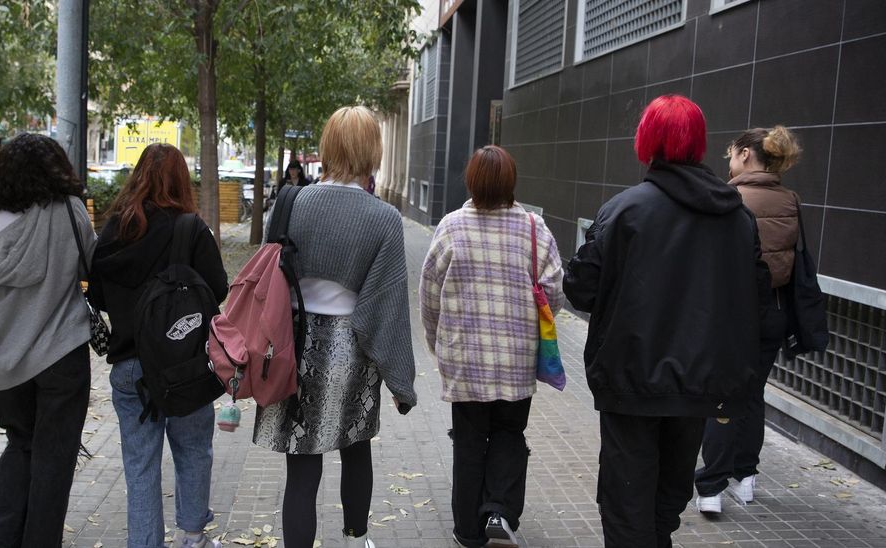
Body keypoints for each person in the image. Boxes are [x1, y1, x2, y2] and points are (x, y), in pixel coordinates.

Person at [563, 95, 769, 548]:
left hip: (630, 380)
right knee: (665, 504)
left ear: (647, 142)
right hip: (699, 386)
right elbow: (755, 299)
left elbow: (579, 288)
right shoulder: (737, 218)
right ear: (699, 144)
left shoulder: (625, 210)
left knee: (626, 505)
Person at [253, 106, 417, 548]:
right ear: (372, 150)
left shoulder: (292, 203)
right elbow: (386, 309)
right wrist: (402, 383)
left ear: (328, 147)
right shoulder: (383, 218)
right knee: (356, 449)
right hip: (352, 352)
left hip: (295, 345)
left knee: (301, 469)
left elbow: (272, 279)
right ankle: (355, 538)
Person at [420, 145, 564, 548]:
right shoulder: (535, 228)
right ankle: (499, 512)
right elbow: (554, 291)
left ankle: (468, 530)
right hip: (517, 359)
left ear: (472, 181)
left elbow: (429, 296)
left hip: (466, 358)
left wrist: (438, 345)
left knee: (468, 441)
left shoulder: (450, 226)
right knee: (509, 433)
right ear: (510, 182)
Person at [88, 142, 228, 548]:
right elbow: (217, 289)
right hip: (185, 365)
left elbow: (96, 295)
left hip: (130, 367)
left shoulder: (115, 229)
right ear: (182, 180)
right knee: (194, 451)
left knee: (139, 465)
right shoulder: (190, 228)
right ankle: (192, 537)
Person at [0, 133, 94, 546]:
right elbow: (90, 266)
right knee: (55, 460)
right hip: (63, 354)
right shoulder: (72, 213)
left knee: (20, 445)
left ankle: (2, 538)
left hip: (7, 360)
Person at [695, 126, 803, 514]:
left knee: (721, 395)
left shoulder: (732, 199)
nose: (728, 161)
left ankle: (711, 487)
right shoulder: (790, 199)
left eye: (730, 153)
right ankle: (746, 478)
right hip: (773, 311)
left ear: (744, 154)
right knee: (752, 393)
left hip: (733, 314)